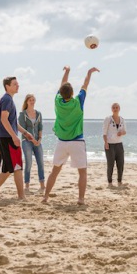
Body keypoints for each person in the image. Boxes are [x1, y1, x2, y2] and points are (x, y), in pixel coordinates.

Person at [43, 66, 99, 205]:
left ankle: (45, 197)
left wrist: (67, 71)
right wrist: (88, 73)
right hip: (77, 142)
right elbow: (85, 85)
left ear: (61, 93)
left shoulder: (57, 101)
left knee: (55, 171)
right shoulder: (78, 101)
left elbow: (62, 85)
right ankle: (80, 199)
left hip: (62, 142)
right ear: (72, 93)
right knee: (82, 172)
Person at [0, 77, 35, 200]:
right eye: (15, 84)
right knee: (17, 166)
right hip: (8, 138)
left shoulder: (7, 99)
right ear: (7, 86)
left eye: (17, 83)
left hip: (6, 138)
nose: (17, 86)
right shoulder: (7, 99)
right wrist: (14, 137)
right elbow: (3, 119)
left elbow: (12, 122)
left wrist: (24, 132)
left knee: (8, 169)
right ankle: (21, 196)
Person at [18, 94, 45, 194]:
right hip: (27, 142)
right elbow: (22, 129)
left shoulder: (38, 114)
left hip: (38, 142)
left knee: (41, 163)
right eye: (30, 100)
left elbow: (40, 127)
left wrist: (40, 139)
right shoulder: (22, 114)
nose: (32, 102)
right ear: (26, 101)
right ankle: (27, 187)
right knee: (28, 164)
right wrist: (32, 140)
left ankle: (42, 186)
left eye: (33, 100)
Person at [102, 103, 127, 187]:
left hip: (119, 145)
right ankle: (110, 182)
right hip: (110, 145)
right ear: (111, 109)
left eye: (117, 107)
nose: (115, 109)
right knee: (110, 164)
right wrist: (106, 143)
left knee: (120, 164)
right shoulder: (108, 119)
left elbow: (125, 131)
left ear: (119, 109)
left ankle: (119, 181)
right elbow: (104, 133)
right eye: (113, 108)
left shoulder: (122, 119)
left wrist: (121, 133)